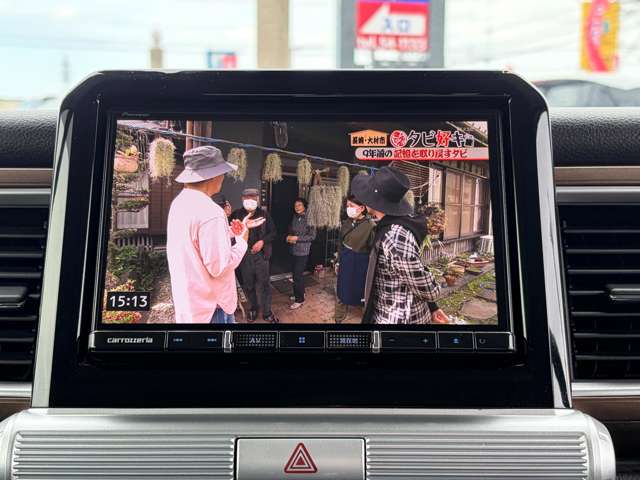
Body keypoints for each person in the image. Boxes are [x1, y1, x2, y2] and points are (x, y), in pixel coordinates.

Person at [166, 146, 264, 324]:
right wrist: (242, 241)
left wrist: (231, 231)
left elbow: (195, 242)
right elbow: (220, 267)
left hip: (191, 303)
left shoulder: (179, 203)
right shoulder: (211, 211)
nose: (223, 177)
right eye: (222, 172)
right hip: (212, 307)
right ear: (213, 176)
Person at [351, 166, 444, 324]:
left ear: (376, 200)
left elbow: (430, 291)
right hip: (389, 312)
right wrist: (433, 307)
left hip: (399, 318)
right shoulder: (387, 227)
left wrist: (432, 303)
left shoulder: (395, 237)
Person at [230, 188, 278, 323]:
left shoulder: (264, 214)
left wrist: (262, 242)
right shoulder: (236, 214)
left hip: (261, 256)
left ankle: (267, 312)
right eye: (247, 197)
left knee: (264, 285)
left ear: (257, 199)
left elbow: (273, 232)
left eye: (253, 197)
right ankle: (253, 308)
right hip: (244, 256)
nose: (250, 200)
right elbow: (228, 233)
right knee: (248, 284)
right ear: (242, 199)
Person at [334, 195, 375, 323]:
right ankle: (338, 318)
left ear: (362, 208)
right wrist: (338, 261)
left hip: (360, 265)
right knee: (341, 291)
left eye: (351, 206)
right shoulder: (346, 222)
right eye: (347, 206)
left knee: (362, 293)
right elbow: (340, 243)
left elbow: (373, 251)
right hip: (345, 260)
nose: (348, 208)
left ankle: (366, 320)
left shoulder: (370, 226)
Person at [286, 197, 316, 310]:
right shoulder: (295, 217)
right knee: (295, 274)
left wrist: (297, 238)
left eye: (299, 205)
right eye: (295, 205)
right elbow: (291, 230)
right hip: (293, 249)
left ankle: (299, 300)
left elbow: (312, 236)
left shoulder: (310, 218)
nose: (297, 207)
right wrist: (289, 237)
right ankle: (300, 293)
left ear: (304, 206)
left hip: (303, 251)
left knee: (297, 275)